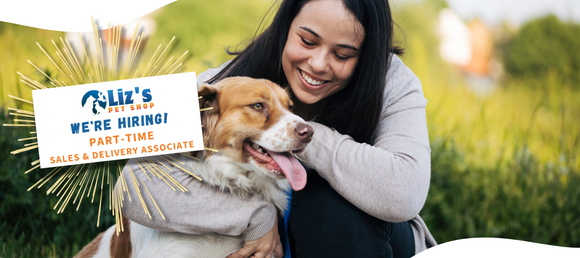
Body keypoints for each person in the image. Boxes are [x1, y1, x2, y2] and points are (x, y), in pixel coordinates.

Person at [118, 0, 437, 257]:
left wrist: (300, 135)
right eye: (307, 41)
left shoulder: (394, 83)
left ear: (368, 54)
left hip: (363, 239)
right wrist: (255, 216)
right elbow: (135, 184)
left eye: (342, 55)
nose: (318, 63)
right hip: (276, 237)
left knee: (330, 213)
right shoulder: (235, 80)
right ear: (286, 28)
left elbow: (403, 193)